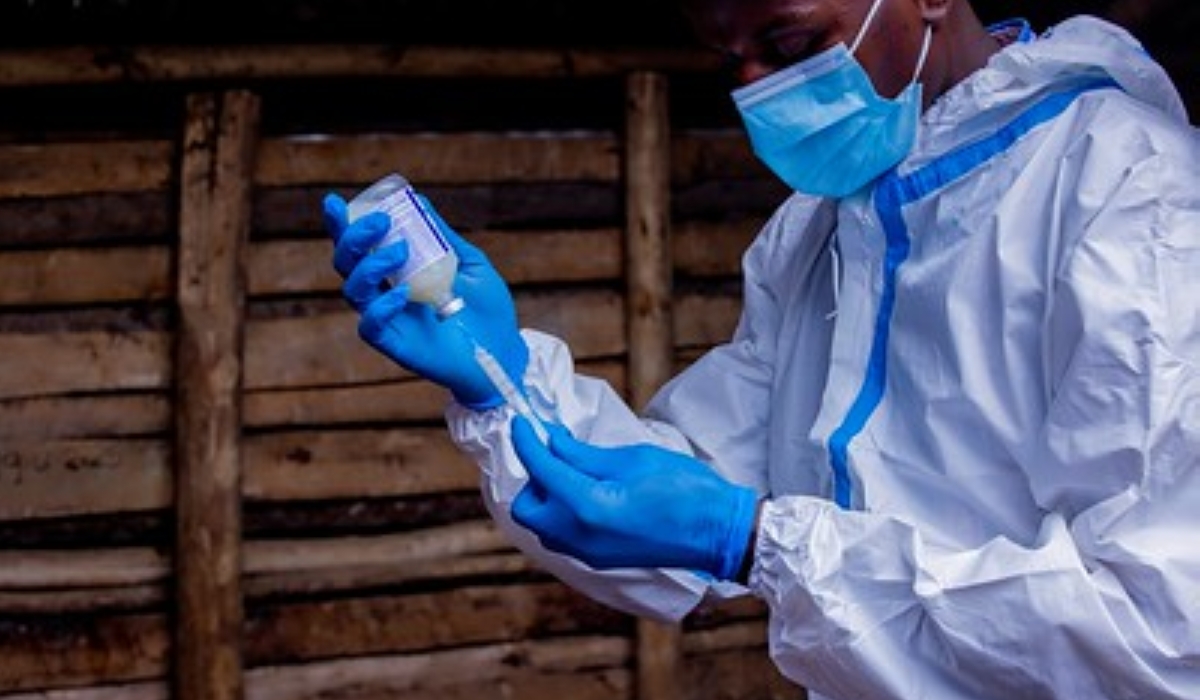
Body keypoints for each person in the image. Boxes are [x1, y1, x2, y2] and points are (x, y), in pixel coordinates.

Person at [322, 0, 1200, 696]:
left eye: (787, 38)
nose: (755, 86)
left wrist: (758, 543)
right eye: (728, 56)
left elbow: (1158, 634)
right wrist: (501, 380)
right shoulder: (819, 234)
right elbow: (670, 502)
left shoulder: (1129, 191)